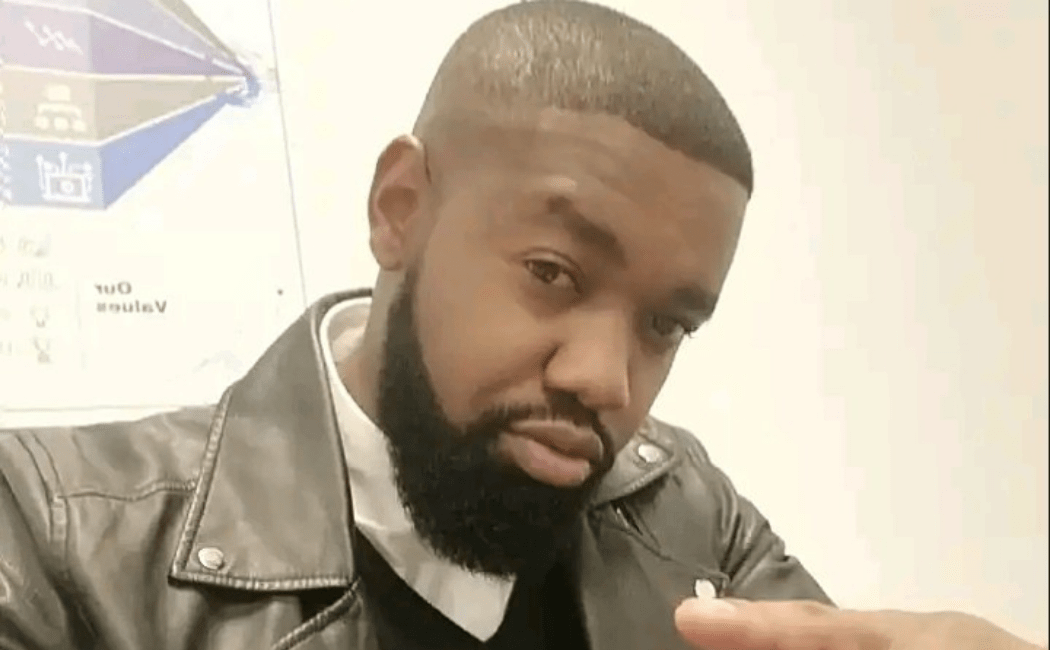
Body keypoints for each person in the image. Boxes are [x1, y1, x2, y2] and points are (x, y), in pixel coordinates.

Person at [0, 2, 1042, 649]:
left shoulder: (687, 514)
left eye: (667, 325)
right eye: (553, 273)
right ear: (400, 209)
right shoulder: (58, 541)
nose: (608, 380)